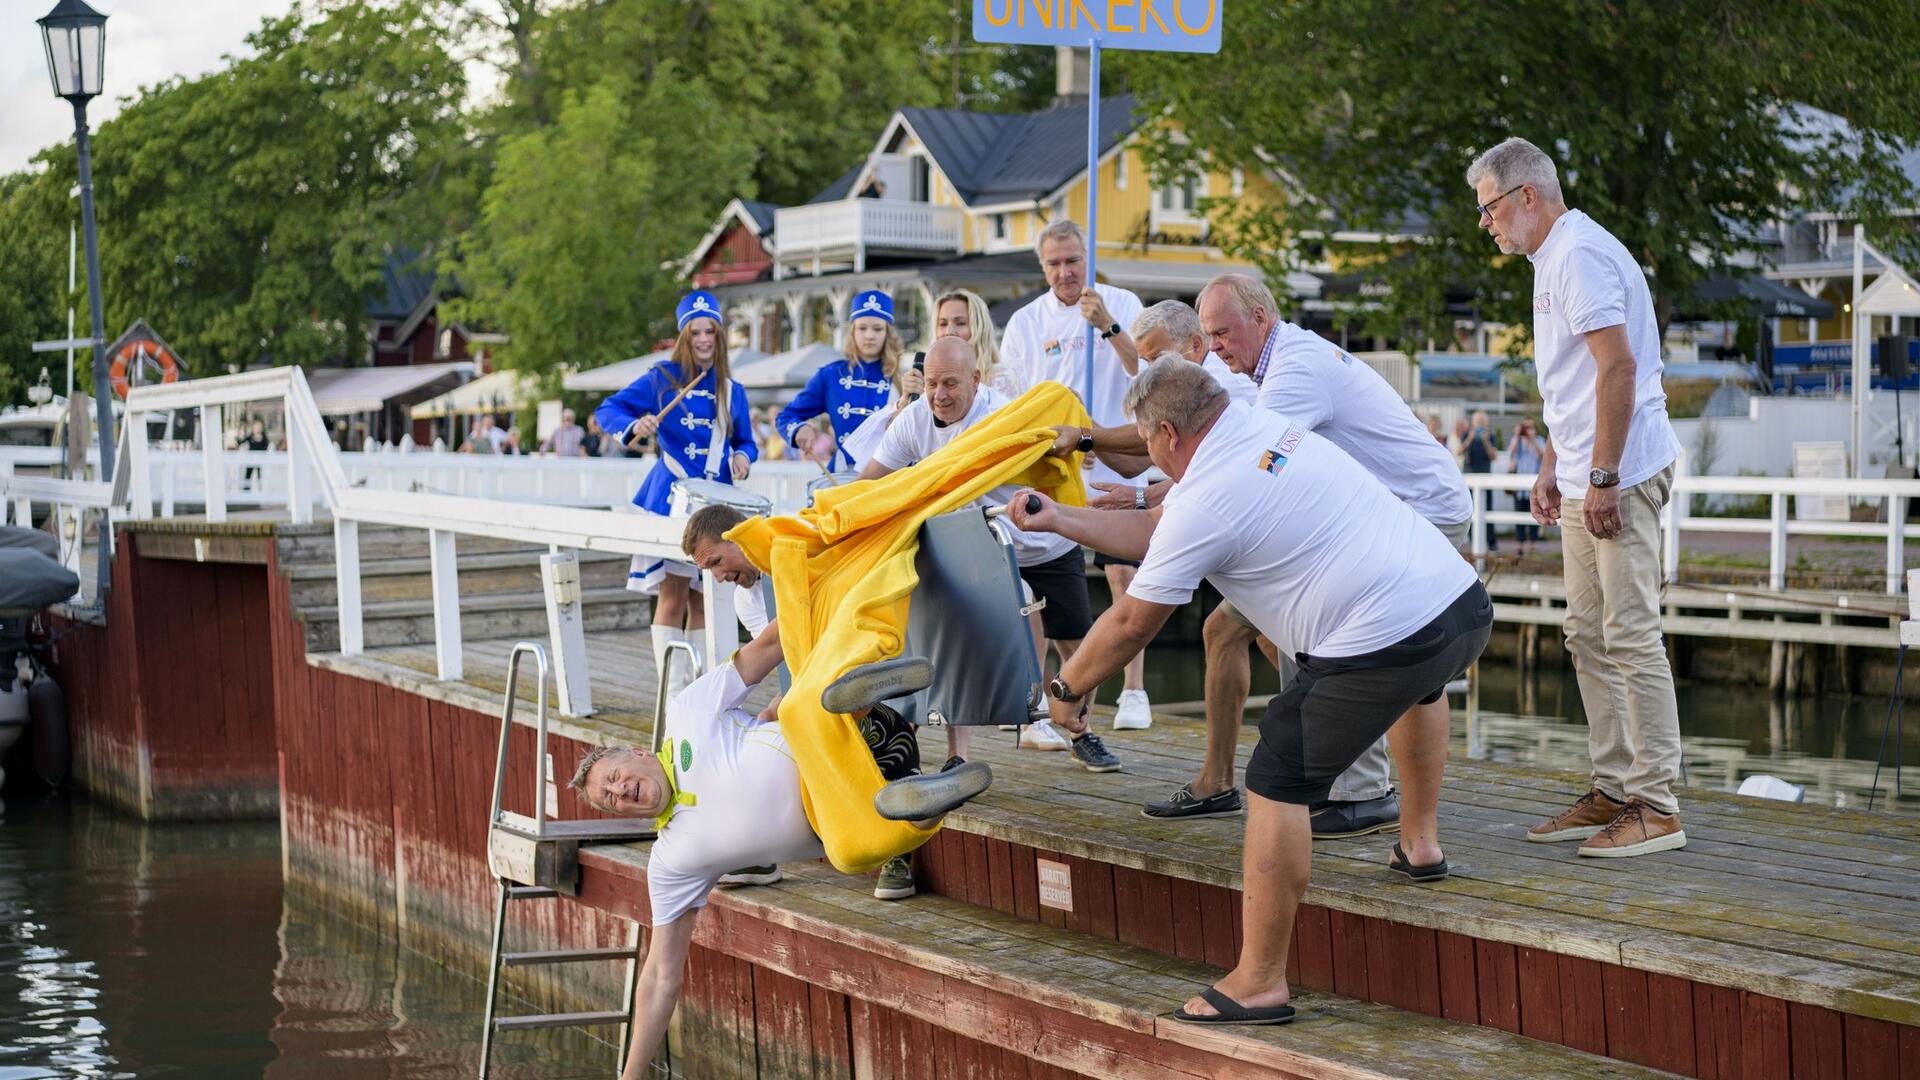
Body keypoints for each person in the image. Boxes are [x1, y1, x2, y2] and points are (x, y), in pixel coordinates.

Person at [1007, 359, 1491, 1025]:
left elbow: (1129, 623)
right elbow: (1157, 535)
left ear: (1168, 434)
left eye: (1146, 441)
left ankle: (1259, 982)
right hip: (1459, 607)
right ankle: (1421, 845)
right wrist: (1061, 518)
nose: (1147, 452)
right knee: (1422, 687)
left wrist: (1067, 687)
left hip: (1384, 636)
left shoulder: (1207, 497)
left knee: (1277, 773)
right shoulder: (1258, 427)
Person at [571, 626, 991, 1080]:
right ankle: (930, 801)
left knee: (794, 708)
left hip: (862, 738)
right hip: (857, 810)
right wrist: (630, 1077)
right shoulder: (673, 859)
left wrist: (808, 595)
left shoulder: (687, 711)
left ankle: (866, 689)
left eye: (614, 776)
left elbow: (769, 646)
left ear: (636, 752)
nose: (620, 791)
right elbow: (658, 977)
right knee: (853, 854)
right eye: (609, 799)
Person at [1470, 135, 1685, 857]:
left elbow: (1619, 369)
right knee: (1586, 633)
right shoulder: (1550, 257)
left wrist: (1599, 477)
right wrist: (1554, 466)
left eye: (1491, 207)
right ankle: (1615, 785)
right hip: (1584, 470)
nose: (1487, 223)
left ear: (1527, 196)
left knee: (1629, 632)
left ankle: (1656, 803)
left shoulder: (1578, 255)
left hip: (1620, 472)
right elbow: (1576, 381)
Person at [857, 337, 1120, 773]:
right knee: (956, 641)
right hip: (979, 544)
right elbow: (869, 483)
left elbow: (1057, 430)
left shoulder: (1003, 415)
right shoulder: (914, 421)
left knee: (1078, 644)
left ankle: (1081, 730)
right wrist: (831, 515)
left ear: (976, 380)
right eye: (932, 384)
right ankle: (958, 755)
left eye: (951, 384)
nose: (940, 395)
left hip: (1044, 540)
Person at [1000, 218, 1154, 732]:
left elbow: (1149, 375)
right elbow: (1013, 402)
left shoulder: (1123, 303)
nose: (1065, 273)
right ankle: (1049, 699)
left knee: (1124, 572)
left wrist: (1108, 325)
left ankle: (1134, 690)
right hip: (1057, 464)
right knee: (1044, 586)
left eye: (1073, 261)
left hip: (1115, 455)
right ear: (1042, 266)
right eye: (1055, 264)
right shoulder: (1025, 321)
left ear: (1087, 259)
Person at [594, 290, 757, 706]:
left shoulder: (731, 390)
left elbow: (746, 441)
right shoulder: (662, 378)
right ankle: (672, 692)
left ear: (719, 337)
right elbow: (607, 411)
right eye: (696, 332)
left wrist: (742, 456)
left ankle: (703, 690)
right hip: (670, 496)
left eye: (711, 332)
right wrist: (637, 425)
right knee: (672, 595)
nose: (704, 339)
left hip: (715, 503)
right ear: (684, 336)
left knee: (706, 595)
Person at [775, 290, 900, 470]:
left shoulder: (901, 380)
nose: (869, 335)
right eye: (862, 328)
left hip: (886, 476)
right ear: (852, 331)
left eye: (877, 329)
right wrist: (799, 429)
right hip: (842, 474)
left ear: (888, 333)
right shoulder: (831, 375)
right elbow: (786, 417)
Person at [935, 288, 1024, 400]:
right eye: (943, 324)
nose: (949, 331)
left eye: (961, 323)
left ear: (979, 329)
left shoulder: (999, 379)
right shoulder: (929, 380)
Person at [1508, 417, 1546, 555]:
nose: (1527, 430)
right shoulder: (1516, 440)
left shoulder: (1540, 440)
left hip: (1534, 482)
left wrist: (1533, 439)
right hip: (1519, 485)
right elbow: (1511, 453)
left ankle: (1533, 544)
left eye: (1530, 427)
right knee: (1519, 512)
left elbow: (1542, 455)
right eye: (1525, 427)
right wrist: (1518, 436)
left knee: (1535, 513)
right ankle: (1519, 543)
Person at [1464, 410, 1500, 551]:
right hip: (1470, 477)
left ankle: (1491, 543)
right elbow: (1460, 451)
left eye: (1482, 421)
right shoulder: (1468, 435)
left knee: (1488, 509)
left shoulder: (1490, 436)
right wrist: (1470, 439)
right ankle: (1474, 542)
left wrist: (1485, 441)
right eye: (1477, 421)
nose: (1479, 424)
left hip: (1485, 477)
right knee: (1470, 511)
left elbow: (1494, 456)